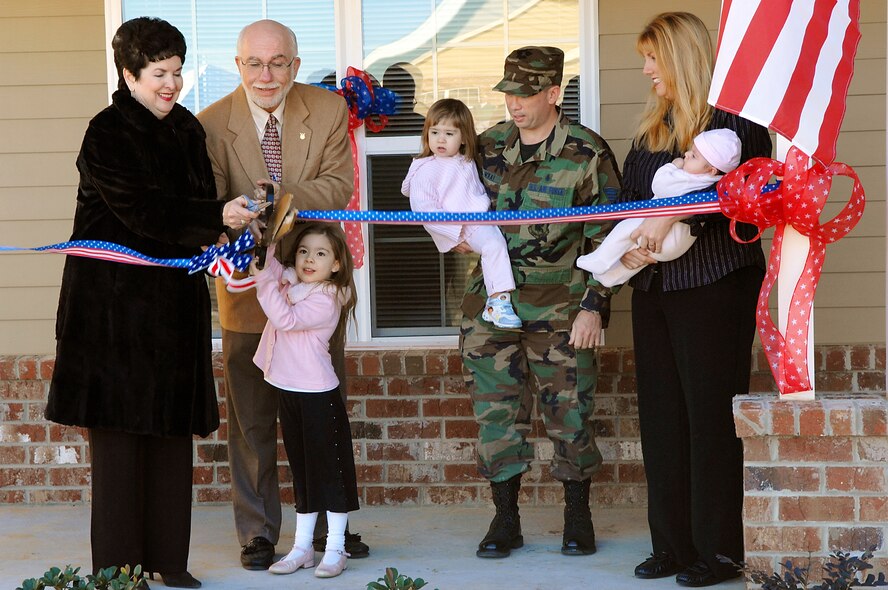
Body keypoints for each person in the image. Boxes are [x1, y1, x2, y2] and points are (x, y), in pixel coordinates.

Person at [44, 17, 257, 590]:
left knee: (168, 434)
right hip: (111, 314)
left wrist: (221, 230)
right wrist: (214, 217)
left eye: (178, 72)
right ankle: (118, 571)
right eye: (160, 73)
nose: (172, 84)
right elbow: (141, 211)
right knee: (119, 441)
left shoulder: (187, 128)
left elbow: (192, 205)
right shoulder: (107, 131)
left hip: (172, 307)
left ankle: (170, 560)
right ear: (129, 74)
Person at [197, 20, 369, 570]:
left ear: (295, 64)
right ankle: (258, 532)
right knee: (251, 420)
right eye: (254, 63)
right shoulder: (209, 123)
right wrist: (229, 213)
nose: (266, 75)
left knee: (321, 415)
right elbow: (210, 204)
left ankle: (326, 527)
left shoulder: (325, 110)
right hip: (249, 289)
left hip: (317, 288)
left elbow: (339, 187)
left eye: (278, 63)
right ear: (238, 64)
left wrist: (276, 197)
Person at [618, 13, 772, 588]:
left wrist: (675, 213)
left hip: (713, 285)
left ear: (682, 57)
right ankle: (674, 546)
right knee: (661, 418)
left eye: (654, 57)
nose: (646, 69)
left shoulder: (737, 123)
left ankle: (719, 550)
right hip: (653, 286)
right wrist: (631, 246)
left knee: (710, 417)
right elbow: (630, 201)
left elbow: (748, 196)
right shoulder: (652, 130)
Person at [459, 46, 621, 559]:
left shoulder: (587, 153)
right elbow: (448, 203)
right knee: (495, 414)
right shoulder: (485, 147)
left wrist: (595, 305)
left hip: (562, 308)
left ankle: (578, 517)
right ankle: (505, 520)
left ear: (554, 93)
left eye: (526, 93)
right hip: (491, 305)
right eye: (509, 93)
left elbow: (609, 238)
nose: (515, 103)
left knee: (569, 413)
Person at [250, 224, 359, 580]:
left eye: (321, 253)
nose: (309, 259)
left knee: (330, 474)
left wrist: (265, 281)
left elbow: (285, 317)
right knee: (303, 473)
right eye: (303, 251)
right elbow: (275, 270)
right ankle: (302, 548)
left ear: (338, 265)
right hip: (290, 391)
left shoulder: (327, 297)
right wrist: (263, 248)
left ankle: (336, 547)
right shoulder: (299, 284)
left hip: (318, 396)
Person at [402, 98, 521, 329]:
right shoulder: (425, 169)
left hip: (479, 220)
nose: (440, 139)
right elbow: (423, 211)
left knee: (496, 247)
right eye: (434, 132)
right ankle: (498, 302)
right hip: (462, 226)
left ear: (464, 138)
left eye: (449, 133)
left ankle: (497, 302)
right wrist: (455, 234)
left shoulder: (466, 161)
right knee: (493, 246)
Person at [577, 128, 741, 287]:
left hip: (672, 239)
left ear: (711, 170)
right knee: (640, 253)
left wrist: (673, 166)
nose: (686, 155)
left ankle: (600, 259)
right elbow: (630, 190)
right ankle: (612, 277)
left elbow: (660, 186)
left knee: (624, 229)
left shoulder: (689, 179)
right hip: (676, 244)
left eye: (693, 156)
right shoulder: (714, 182)